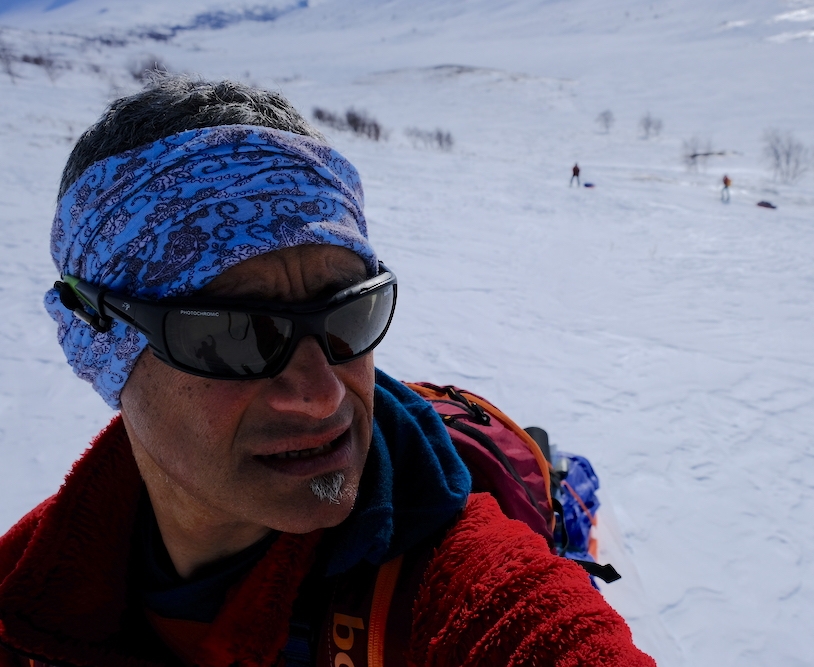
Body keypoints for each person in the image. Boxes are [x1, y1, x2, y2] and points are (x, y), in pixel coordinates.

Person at [0, 76, 654, 667]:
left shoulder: (461, 591)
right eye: (235, 333)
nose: (320, 394)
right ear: (97, 340)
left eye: (349, 313)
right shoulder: (23, 596)